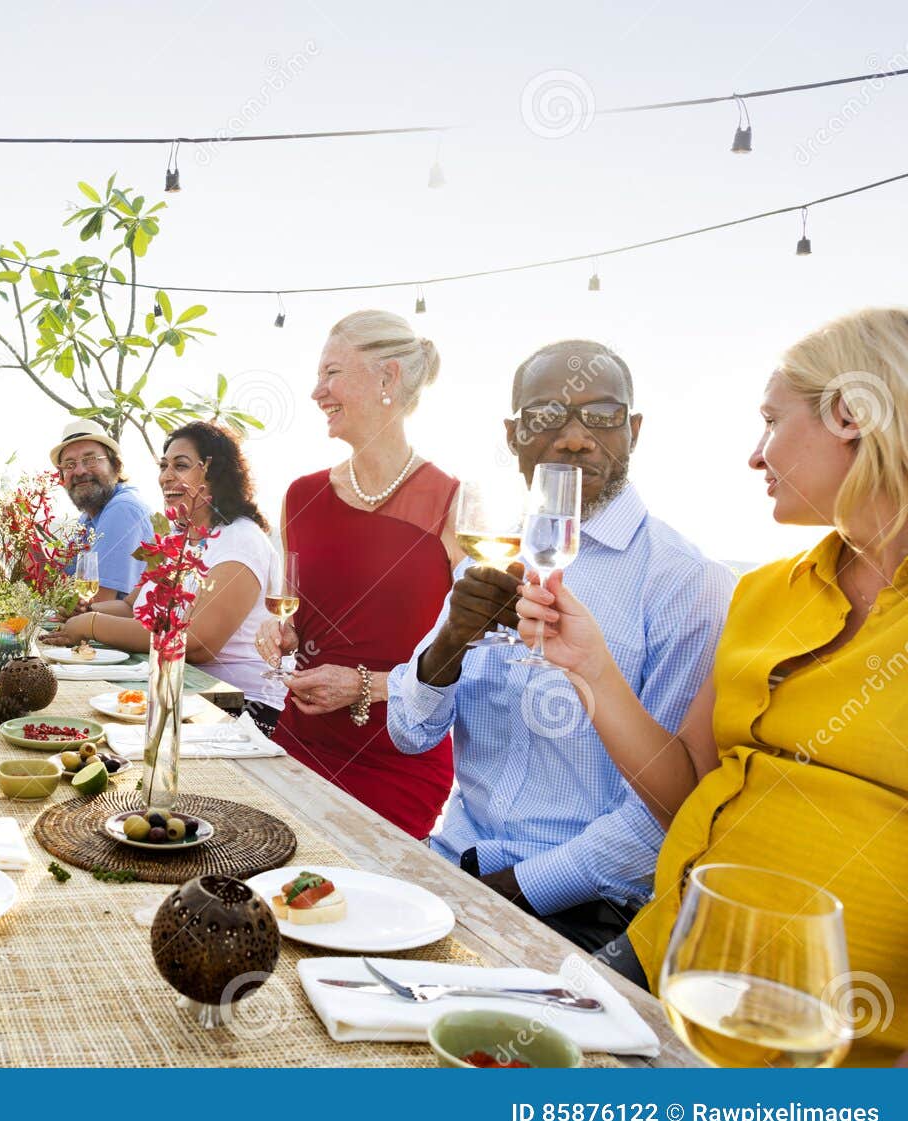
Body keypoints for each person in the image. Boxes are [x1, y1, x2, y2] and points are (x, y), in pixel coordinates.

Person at [515, 309, 908, 1064]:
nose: (755, 457)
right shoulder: (764, 593)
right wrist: (590, 668)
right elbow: (685, 794)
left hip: (842, 1041)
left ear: (853, 414)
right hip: (662, 962)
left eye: (770, 422)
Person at [386, 338, 732, 951]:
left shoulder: (685, 582)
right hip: (450, 864)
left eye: (603, 416)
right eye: (548, 415)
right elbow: (410, 734)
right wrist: (449, 643)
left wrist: (511, 890)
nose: (576, 437)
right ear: (514, 434)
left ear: (635, 431)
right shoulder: (493, 557)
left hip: (580, 913)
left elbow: (665, 814)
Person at [254, 310, 461, 839]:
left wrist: (365, 685)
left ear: (387, 378)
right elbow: (300, 617)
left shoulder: (452, 502)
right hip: (298, 745)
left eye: (332, 374)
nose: (316, 391)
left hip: (399, 763)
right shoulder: (301, 496)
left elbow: (474, 662)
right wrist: (281, 632)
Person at [42, 422, 286, 728]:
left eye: (180, 466)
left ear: (215, 473)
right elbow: (131, 607)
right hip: (177, 693)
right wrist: (78, 613)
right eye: (163, 466)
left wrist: (91, 624)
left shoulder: (240, 540)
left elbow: (197, 643)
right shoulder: (176, 537)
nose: (166, 476)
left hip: (237, 708)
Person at [50, 419, 153, 601]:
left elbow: (95, 603)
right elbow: (59, 586)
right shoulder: (87, 519)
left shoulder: (123, 509)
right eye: (69, 465)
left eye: (90, 460)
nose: (80, 471)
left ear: (116, 466)